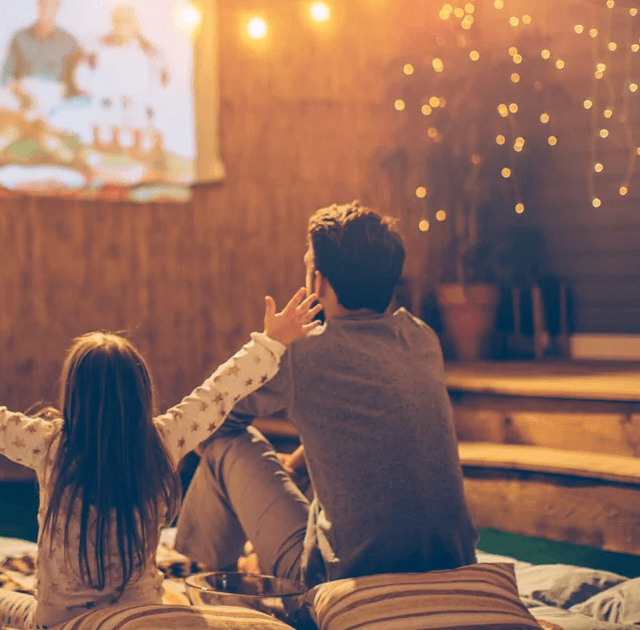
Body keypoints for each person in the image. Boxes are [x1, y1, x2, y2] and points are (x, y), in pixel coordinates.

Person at [0, 290, 321, 629]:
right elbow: (218, 394)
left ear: (74, 396)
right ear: (141, 392)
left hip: (61, 623)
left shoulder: (51, 447)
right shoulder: (163, 440)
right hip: (141, 615)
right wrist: (272, 341)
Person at [175, 202, 479, 587]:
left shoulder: (303, 354)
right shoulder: (421, 337)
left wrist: (271, 344)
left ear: (318, 283)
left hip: (337, 578)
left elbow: (215, 422)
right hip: (451, 562)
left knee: (226, 445)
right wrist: (297, 464)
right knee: (292, 472)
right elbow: (378, 428)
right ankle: (215, 566)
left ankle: (207, 574)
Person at [1, 0, 86, 106]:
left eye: (51, 4)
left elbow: (81, 81)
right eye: (43, 2)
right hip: (23, 103)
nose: (46, 8)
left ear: (58, 6)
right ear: (37, 3)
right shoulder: (20, 38)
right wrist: (17, 88)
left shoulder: (70, 43)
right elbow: (5, 77)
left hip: (56, 106)